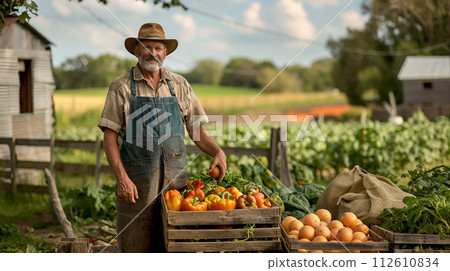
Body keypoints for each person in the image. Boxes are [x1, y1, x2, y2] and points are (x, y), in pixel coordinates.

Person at [98, 23, 227, 252]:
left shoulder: (179, 85)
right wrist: (121, 178)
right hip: (136, 187)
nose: (152, 52)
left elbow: (196, 130)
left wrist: (217, 151)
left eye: (158, 47)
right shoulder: (122, 87)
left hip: (175, 187)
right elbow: (110, 138)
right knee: (136, 250)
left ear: (165, 52)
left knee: (173, 250)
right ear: (137, 51)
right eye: (147, 47)